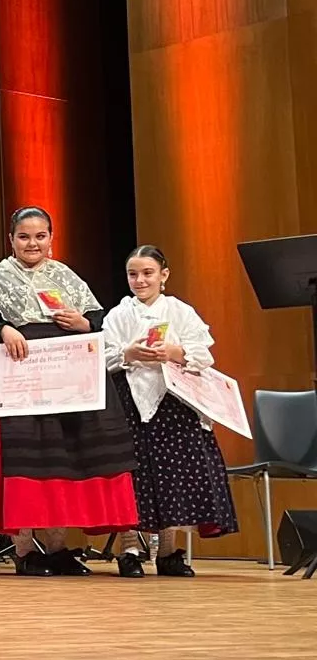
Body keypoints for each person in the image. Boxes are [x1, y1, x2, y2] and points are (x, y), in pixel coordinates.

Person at [0, 207, 138, 577]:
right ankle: (26, 549)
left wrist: (83, 322)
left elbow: (98, 319)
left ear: (51, 238)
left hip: (67, 378)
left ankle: (58, 547)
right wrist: (3, 330)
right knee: (24, 461)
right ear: (11, 240)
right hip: (19, 376)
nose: (33, 243)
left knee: (62, 459)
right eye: (24, 236)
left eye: (40, 236)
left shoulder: (65, 276)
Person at [102, 245, 237, 578]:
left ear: (164, 275)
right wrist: (128, 353)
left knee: (170, 474)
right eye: (133, 274)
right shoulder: (118, 315)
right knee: (131, 474)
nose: (140, 280)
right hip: (128, 402)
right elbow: (100, 358)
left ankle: (168, 550)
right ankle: (130, 548)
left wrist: (176, 351)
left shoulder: (180, 312)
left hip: (173, 403)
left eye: (148, 273)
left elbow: (204, 354)